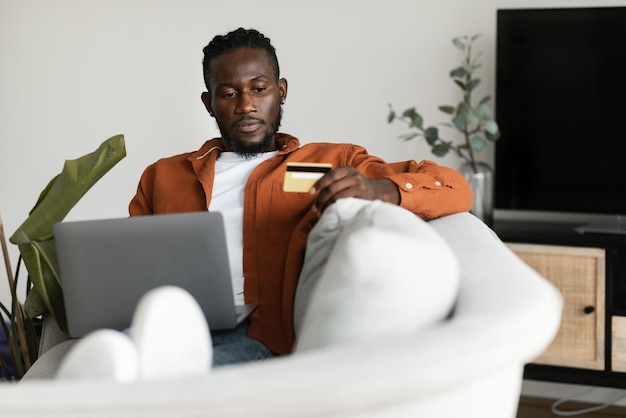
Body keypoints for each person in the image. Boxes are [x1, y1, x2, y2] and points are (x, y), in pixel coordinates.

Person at [126, 27, 473, 366]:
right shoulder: (164, 176)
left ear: (281, 91)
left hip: (255, 336)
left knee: (145, 375)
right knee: (122, 356)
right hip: (168, 324)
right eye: (229, 93)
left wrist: (377, 189)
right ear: (209, 102)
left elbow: (454, 187)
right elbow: (129, 263)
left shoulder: (331, 161)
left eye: (259, 89)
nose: (246, 105)